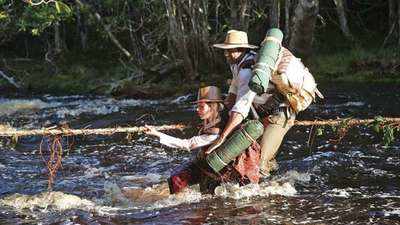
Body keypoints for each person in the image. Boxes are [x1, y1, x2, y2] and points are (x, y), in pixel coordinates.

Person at [123, 86, 260, 200]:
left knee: (176, 184)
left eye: (201, 107)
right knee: (178, 181)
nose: (197, 110)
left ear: (212, 107)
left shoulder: (214, 131)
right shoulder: (220, 118)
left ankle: (145, 198)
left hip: (218, 171)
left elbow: (187, 144)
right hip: (212, 168)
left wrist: (156, 133)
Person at [209, 29, 298, 176]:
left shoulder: (247, 72)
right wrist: (215, 118)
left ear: (242, 49)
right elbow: (232, 97)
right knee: (250, 156)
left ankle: (271, 190)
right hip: (261, 115)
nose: (226, 54)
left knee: (259, 164)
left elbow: (240, 110)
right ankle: (275, 178)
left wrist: (222, 137)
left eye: (230, 50)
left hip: (280, 114)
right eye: (225, 50)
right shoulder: (237, 64)